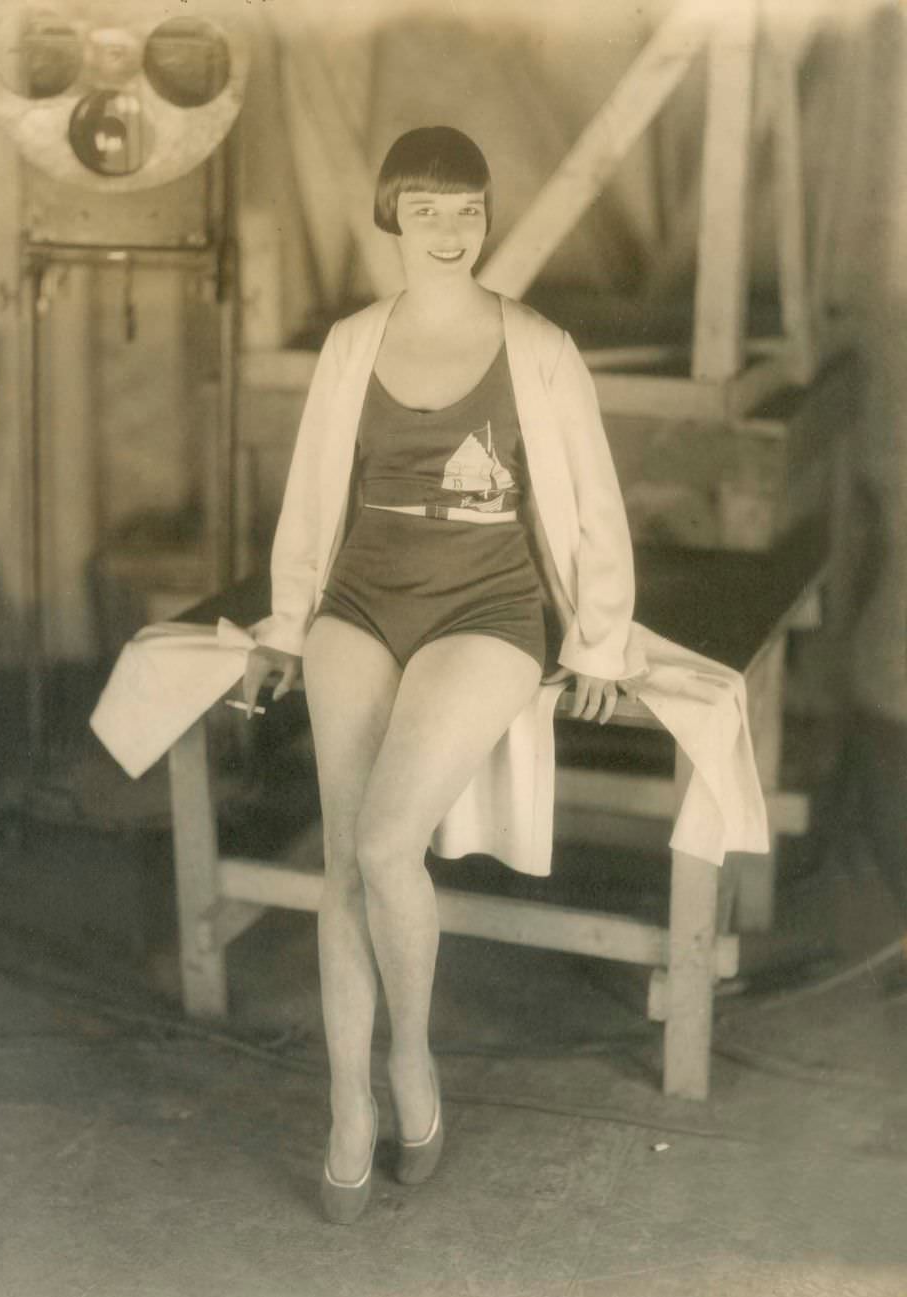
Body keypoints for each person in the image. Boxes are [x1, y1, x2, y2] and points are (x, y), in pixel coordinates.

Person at [240, 126, 636, 1223]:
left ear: (486, 218)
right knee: (344, 863)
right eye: (427, 211)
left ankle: (410, 1059)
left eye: (468, 210)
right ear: (393, 220)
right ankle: (346, 1104)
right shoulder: (351, 344)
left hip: (485, 612)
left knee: (383, 843)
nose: (451, 231)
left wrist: (601, 639)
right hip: (360, 605)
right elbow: (311, 498)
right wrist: (285, 624)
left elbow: (595, 504)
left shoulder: (539, 345)